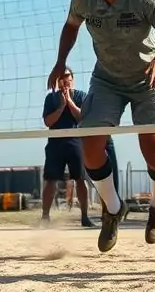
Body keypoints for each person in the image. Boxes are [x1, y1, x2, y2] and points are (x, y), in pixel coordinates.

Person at [47, 0, 155, 253]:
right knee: (92, 144)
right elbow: (71, 27)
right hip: (107, 80)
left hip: (147, 77)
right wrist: (60, 62)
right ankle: (112, 208)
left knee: (152, 148)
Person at [40, 66, 92, 227]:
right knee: (50, 180)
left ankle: (84, 216)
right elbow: (48, 122)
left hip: (76, 141)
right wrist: (61, 106)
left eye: (68, 77)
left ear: (72, 79)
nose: (65, 80)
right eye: (61, 78)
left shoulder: (80, 96)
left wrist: (69, 102)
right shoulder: (51, 98)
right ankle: (45, 216)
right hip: (55, 141)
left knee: (80, 179)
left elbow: (82, 118)